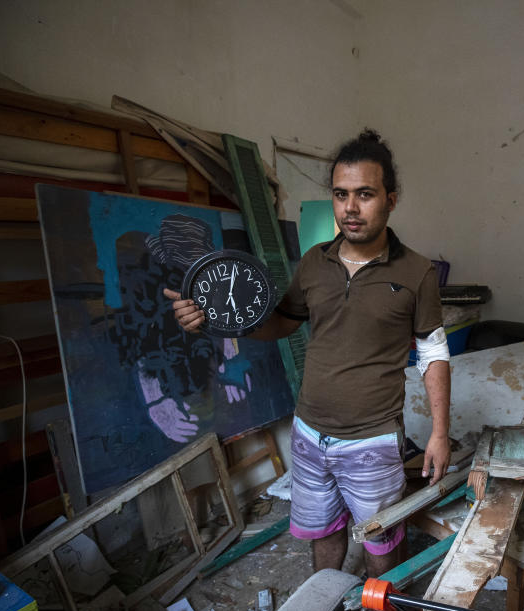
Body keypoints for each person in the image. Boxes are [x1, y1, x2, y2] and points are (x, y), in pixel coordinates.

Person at [164, 129, 451, 577]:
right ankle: (327, 602)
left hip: (372, 440)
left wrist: (438, 433)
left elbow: (434, 353)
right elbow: (281, 321)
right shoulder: (316, 261)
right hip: (309, 432)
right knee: (323, 531)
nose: (350, 208)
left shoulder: (417, 272)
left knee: (380, 540)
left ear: (391, 200)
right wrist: (214, 321)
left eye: (365, 194)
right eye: (341, 194)